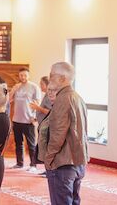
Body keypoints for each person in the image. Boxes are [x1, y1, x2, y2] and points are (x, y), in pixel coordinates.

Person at [44, 62, 89, 205]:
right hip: (76, 162)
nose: (49, 78)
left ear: (62, 79)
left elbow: (58, 134)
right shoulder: (77, 97)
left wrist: (48, 159)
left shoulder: (63, 99)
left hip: (62, 164)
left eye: (52, 75)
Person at [9, 68, 41, 171]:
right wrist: (13, 91)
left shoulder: (34, 87)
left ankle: (33, 165)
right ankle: (19, 163)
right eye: (21, 75)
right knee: (18, 143)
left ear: (28, 75)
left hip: (28, 120)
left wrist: (34, 116)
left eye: (25, 75)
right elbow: (9, 100)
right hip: (16, 119)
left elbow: (38, 103)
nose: (23, 77)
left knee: (31, 144)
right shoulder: (17, 87)